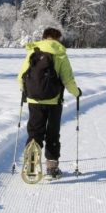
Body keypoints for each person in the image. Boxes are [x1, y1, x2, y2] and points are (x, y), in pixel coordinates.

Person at [17, 27, 82, 179]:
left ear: (44, 37)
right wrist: (77, 92)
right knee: (52, 134)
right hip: (54, 101)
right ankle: (52, 169)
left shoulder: (33, 51)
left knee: (35, 132)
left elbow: (21, 77)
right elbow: (68, 80)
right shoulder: (60, 54)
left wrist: (25, 91)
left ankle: (31, 165)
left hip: (34, 101)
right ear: (57, 38)